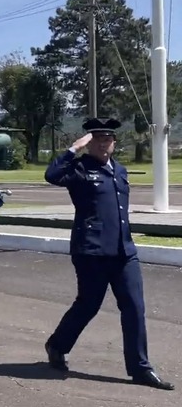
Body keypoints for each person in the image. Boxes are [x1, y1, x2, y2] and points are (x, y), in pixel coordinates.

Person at [43, 118, 172, 390]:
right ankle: (57, 345)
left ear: (114, 143)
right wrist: (72, 149)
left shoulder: (120, 171)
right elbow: (51, 175)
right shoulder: (78, 169)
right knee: (88, 305)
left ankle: (140, 368)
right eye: (97, 139)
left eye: (108, 139)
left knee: (135, 307)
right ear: (89, 144)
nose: (104, 143)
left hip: (124, 251)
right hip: (91, 251)